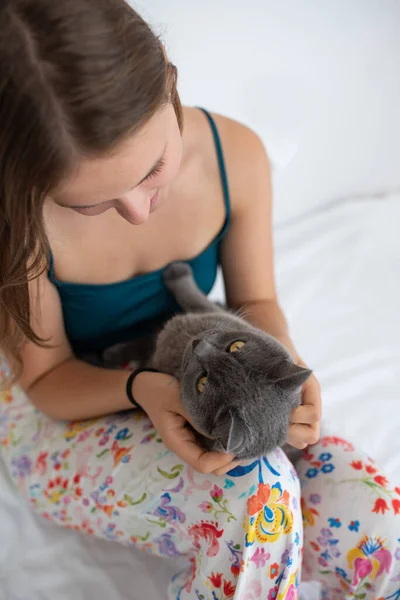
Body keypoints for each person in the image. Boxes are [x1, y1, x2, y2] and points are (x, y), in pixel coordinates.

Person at [0, 1, 398, 598]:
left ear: (170, 75)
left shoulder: (234, 156)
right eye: (90, 204)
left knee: (374, 514)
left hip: (204, 374)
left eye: (153, 168)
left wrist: (280, 371)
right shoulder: (17, 217)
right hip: (67, 402)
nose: (136, 212)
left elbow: (256, 302)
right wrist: (148, 389)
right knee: (256, 492)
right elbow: (47, 377)